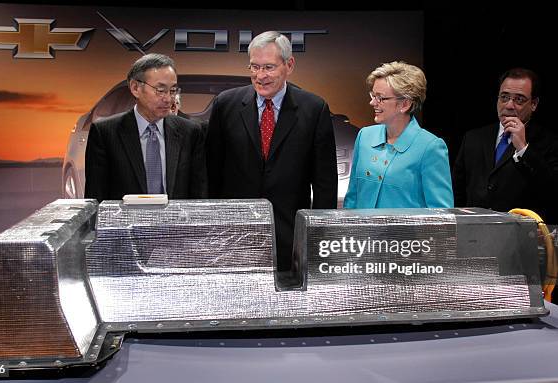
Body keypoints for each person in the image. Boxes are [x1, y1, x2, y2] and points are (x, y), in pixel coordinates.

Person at [206, 31, 337, 272]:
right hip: (235, 234)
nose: (260, 76)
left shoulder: (314, 108)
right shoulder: (225, 104)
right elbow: (212, 172)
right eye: (254, 67)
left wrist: (318, 235)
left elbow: (324, 183)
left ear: (289, 65)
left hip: (290, 235)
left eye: (269, 67)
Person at [84, 53, 207, 202]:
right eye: (160, 90)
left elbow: (199, 196)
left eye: (173, 90)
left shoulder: (190, 132)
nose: (168, 99)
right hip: (125, 223)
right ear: (135, 88)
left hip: (175, 223)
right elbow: (96, 198)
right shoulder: (106, 133)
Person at [452, 68, 558, 223]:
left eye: (519, 99)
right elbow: (457, 191)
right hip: (475, 233)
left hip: (523, 235)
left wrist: (523, 148)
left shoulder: (549, 142)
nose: (509, 105)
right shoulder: (474, 138)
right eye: (504, 97)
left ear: (534, 104)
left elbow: (552, 192)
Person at [344, 61, 453, 209]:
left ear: (405, 104)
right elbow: (352, 198)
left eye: (380, 98)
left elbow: (441, 214)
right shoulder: (364, 136)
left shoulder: (431, 147)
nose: (372, 102)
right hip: (362, 232)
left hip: (406, 233)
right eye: (373, 95)